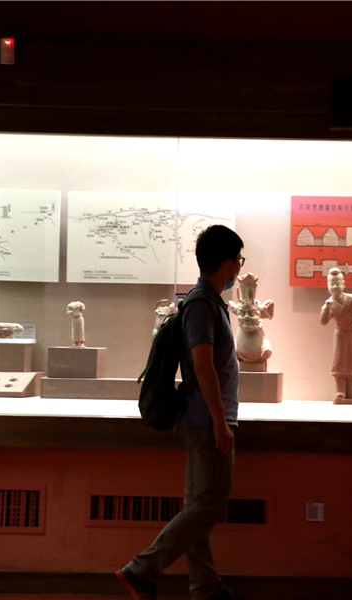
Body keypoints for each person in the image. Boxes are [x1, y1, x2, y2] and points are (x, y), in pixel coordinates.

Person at [117, 225, 243, 600]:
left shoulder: (206, 303)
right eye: (238, 260)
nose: (239, 268)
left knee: (198, 508)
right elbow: (203, 366)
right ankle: (142, 569)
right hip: (206, 422)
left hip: (202, 420)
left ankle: (205, 587)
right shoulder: (202, 305)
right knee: (208, 508)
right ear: (226, 263)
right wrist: (220, 423)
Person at [320, 267, 352, 401]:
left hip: (351, 333)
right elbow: (323, 321)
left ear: (343, 284)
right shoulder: (329, 304)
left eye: (337, 283)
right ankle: (340, 391)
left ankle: (350, 391)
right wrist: (326, 309)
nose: (334, 287)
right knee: (339, 362)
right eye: (331, 284)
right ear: (327, 285)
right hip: (340, 334)